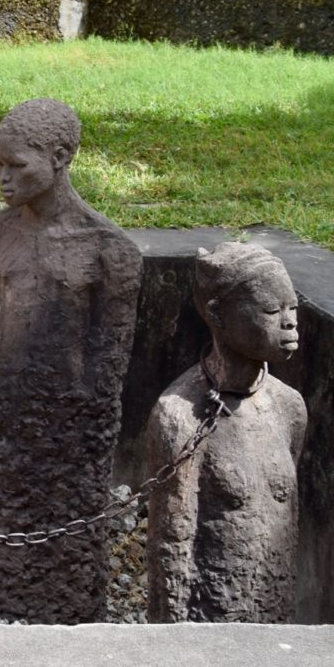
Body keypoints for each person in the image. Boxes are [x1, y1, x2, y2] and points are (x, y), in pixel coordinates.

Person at [0, 99, 142, 623]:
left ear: (59, 157)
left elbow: (110, 359)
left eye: (17, 166)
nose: (3, 180)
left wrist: (84, 424)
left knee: (56, 529)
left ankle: (57, 593)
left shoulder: (109, 251)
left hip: (65, 420)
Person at [146, 243, 306, 623]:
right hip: (210, 625)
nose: (289, 322)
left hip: (273, 619)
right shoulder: (179, 415)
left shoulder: (290, 408)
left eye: (292, 308)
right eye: (271, 311)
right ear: (218, 315)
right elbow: (171, 547)